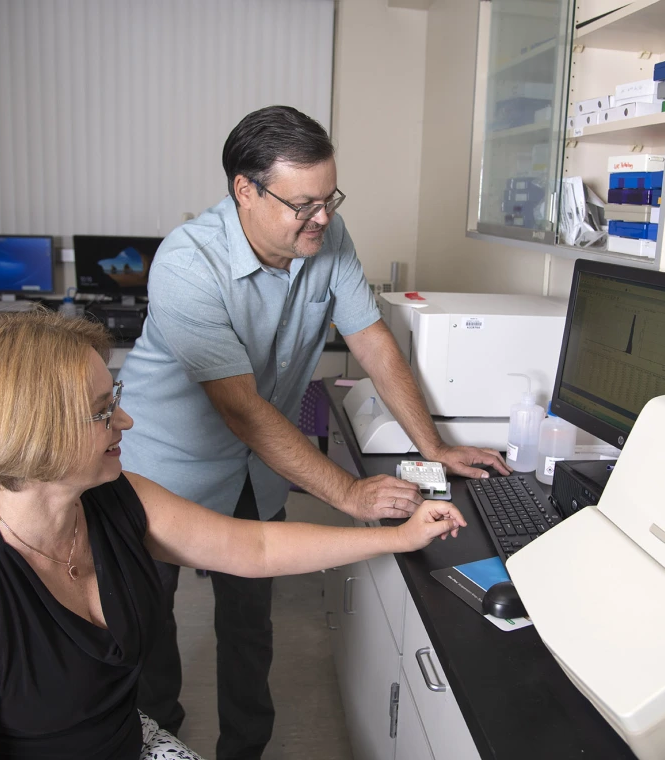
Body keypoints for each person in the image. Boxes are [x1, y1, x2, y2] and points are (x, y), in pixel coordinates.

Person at [0, 309, 466, 760]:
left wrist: (394, 538)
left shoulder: (119, 501)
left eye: (113, 401)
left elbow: (254, 546)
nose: (127, 421)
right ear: (31, 433)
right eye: (101, 413)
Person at [117, 104, 510, 758]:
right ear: (246, 190)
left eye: (329, 199)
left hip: (256, 467)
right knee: (147, 619)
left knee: (249, 625)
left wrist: (433, 445)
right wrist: (347, 495)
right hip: (164, 467)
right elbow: (240, 408)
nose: (322, 217)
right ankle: (158, 728)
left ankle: (243, 749)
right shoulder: (188, 263)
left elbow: (373, 341)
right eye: (304, 204)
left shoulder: (325, 236)